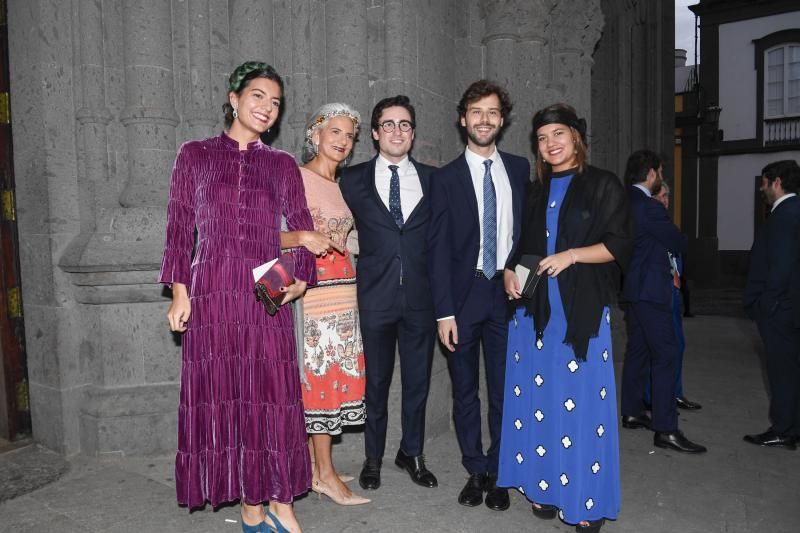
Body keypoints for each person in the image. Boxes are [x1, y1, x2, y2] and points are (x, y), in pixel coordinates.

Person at [161, 62, 315, 533]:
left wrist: (297, 282)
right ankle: (252, 506)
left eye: (275, 102)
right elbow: (178, 229)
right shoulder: (195, 155)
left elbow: (301, 230)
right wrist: (179, 293)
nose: (267, 108)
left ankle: (276, 496)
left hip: (263, 294)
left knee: (271, 397)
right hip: (211, 293)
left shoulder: (282, 164)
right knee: (228, 395)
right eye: (258, 96)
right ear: (233, 98)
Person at [499, 103, 632, 533]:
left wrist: (572, 255)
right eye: (542, 138)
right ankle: (542, 487)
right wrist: (508, 271)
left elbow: (618, 245)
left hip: (580, 317)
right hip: (535, 316)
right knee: (539, 405)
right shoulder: (535, 190)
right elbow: (525, 247)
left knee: (582, 409)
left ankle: (586, 503)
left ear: (576, 137)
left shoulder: (603, 184)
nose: (550, 144)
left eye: (558, 134)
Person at [428, 80, 529, 511]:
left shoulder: (521, 169)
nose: (484, 119)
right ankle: (476, 468)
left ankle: (500, 468)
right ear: (462, 119)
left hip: (507, 296)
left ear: (501, 120)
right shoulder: (444, 178)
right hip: (462, 297)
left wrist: (519, 273)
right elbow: (435, 251)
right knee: (464, 388)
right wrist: (444, 312)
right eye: (476, 111)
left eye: (491, 112)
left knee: (506, 390)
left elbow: (530, 236)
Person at [339, 96, 438, 491]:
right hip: (373, 299)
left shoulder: (434, 180)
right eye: (389, 124)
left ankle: (411, 452)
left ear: (412, 133)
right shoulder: (352, 179)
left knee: (418, 382)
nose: (397, 131)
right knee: (375, 383)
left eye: (405, 125)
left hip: (421, 299)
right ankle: (373, 458)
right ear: (376, 133)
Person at [281, 103, 370, 505]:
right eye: (334, 132)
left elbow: (348, 238)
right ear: (314, 135)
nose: (342, 141)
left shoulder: (345, 185)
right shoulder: (294, 178)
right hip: (310, 295)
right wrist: (301, 237)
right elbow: (261, 232)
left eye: (349, 135)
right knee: (316, 383)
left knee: (334, 382)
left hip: (344, 293)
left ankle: (319, 468)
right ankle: (327, 476)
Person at [619, 149, 707, 454]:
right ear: (652, 174)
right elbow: (678, 241)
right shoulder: (649, 207)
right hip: (652, 292)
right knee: (666, 354)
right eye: (659, 171)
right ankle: (666, 428)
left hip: (631, 291)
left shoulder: (622, 201)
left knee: (638, 352)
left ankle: (631, 412)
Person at [743, 159, 800, 450]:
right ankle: (792, 425)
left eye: (764, 183)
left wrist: (768, 304)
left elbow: (780, 266)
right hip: (790, 307)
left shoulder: (783, 216)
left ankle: (783, 430)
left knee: (781, 372)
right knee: (791, 370)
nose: (762, 189)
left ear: (776, 182)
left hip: (781, 310)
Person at [643, 182, 702, 411]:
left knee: (678, 345)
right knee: (659, 349)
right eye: (661, 196)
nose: (665, 201)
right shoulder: (648, 225)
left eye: (667, 196)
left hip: (674, 293)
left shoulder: (667, 225)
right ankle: (652, 397)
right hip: (658, 293)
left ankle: (675, 393)